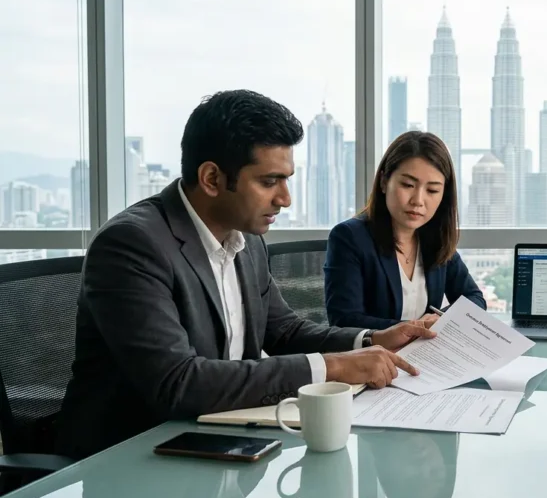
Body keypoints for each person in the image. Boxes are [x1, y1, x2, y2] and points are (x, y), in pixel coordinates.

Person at [56, 90, 435, 460]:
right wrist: (332, 366)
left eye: (287, 180)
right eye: (269, 182)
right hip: (133, 458)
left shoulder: (246, 240)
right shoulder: (132, 245)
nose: (285, 198)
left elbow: (283, 331)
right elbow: (177, 383)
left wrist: (372, 339)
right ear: (211, 178)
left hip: (226, 443)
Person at [324, 131, 484, 329]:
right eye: (408, 185)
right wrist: (416, 328)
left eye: (432, 190)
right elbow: (345, 321)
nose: (418, 200)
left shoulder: (435, 237)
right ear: (384, 182)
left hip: (426, 348)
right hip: (376, 349)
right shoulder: (350, 237)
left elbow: (474, 298)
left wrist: (441, 320)